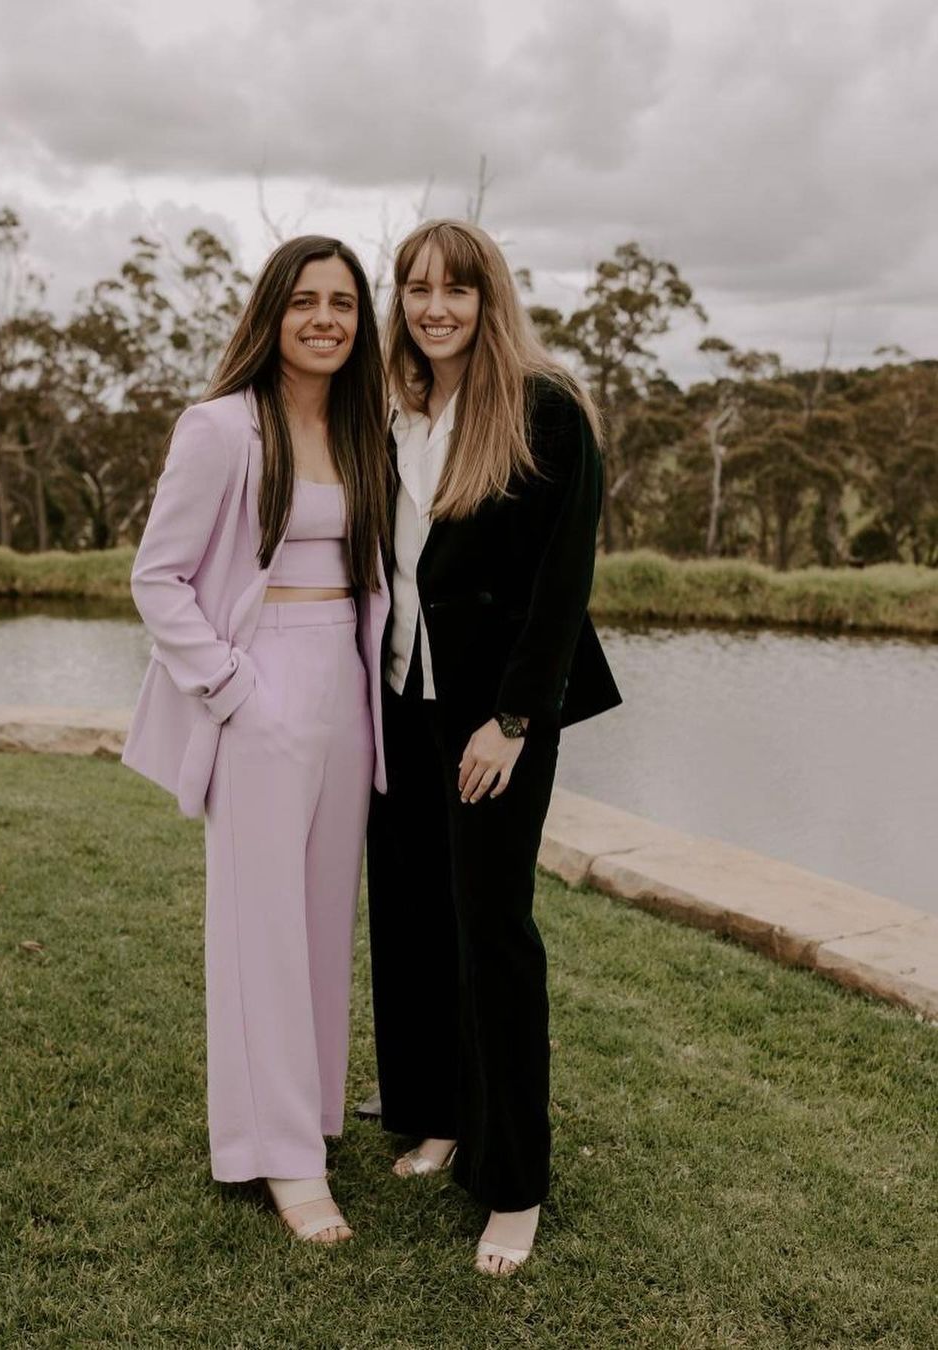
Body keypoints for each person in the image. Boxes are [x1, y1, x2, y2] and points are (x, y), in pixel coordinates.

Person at [122, 236, 390, 1245]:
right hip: (261, 682)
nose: (327, 320)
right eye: (306, 302)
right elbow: (159, 576)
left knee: (323, 924)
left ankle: (310, 1115)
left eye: (345, 305)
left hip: (348, 694)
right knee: (261, 930)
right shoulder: (221, 427)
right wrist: (236, 690)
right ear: (271, 313)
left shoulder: (365, 431)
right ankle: (280, 1159)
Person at [366, 220, 621, 1276]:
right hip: (398, 699)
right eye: (417, 289)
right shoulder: (394, 406)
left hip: (495, 718)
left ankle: (513, 1183)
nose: (435, 308)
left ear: (488, 298)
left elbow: (563, 588)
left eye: (455, 291)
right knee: (413, 917)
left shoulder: (544, 408)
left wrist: (515, 721)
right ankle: (438, 1115)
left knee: (493, 929)